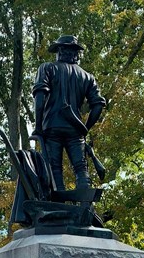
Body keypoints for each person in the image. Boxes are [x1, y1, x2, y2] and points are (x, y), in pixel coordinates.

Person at [32, 35, 107, 193]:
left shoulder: (47, 68)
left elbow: (40, 97)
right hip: (75, 129)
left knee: (55, 168)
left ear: (59, 51)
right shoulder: (88, 77)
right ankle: (86, 202)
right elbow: (98, 105)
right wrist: (84, 128)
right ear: (75, 53)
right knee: (81, 168)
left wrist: (38, 126)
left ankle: (59, 199)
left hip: (52, 127)